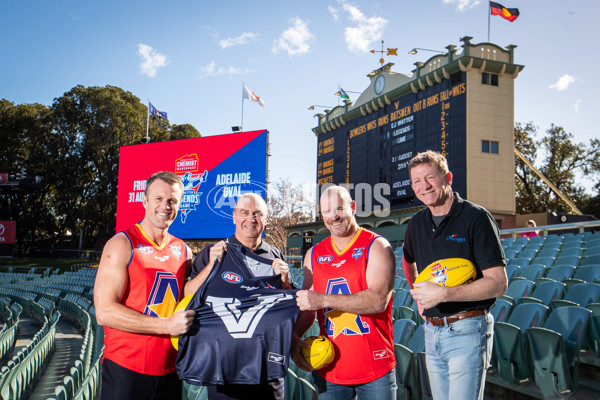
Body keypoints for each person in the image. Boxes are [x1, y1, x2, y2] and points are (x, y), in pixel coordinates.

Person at [401, 150, 507, 400]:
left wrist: (445, 294)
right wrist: (417, 295)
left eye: (430, 177)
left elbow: (498, 283)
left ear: (447, 177)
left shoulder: (476, 217)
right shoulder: (416, 223)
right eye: (416, 181)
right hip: (431, 329)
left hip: (468, 328)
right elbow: (407, 260)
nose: (423, 186)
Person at [94, 171, 195, 400]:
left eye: (172, 201)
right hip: (126, 369)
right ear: (145, 201)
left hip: (170, 370)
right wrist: (166, 325)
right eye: (158, 199)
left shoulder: (183, 250)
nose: (165, 206)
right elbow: (104, 312)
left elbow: (186, 293)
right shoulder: (122, 243)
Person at [291, 185, 397, 400]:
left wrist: (322, 299)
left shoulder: (376, 246)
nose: (334, 216)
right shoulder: (313, 254)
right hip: (329, 366)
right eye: (327, 211)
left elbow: (378, 301)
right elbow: (307, 307)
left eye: (339, 208)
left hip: (375, 365)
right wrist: (293, 340)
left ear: (353, 208)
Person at [183, 192, 292, 400]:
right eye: (244, 213)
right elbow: (188, 295)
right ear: (234, 216)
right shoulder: (212, 252)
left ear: (266, 219)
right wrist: (210, 267)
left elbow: (286, 307)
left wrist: (285, 280)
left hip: (267, 367)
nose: (251, 219)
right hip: (226, 367)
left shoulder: (275, 255)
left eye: (257, 214)